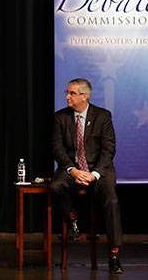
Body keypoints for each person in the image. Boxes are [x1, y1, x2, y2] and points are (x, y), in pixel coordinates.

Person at [50, 78, 123, 274]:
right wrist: (72, 170)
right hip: (72, 168)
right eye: (67, 92)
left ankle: (114, 254)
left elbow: (109, 150)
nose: (67, 97)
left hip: (98, 170)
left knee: (112, 200)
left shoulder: (102, 116)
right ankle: (72, 219)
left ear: (84, 96)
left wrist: (95, 174)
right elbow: (57, 149)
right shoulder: (60, 117)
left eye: (71, 93)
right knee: (56, 186)